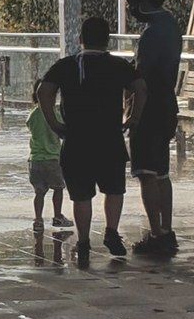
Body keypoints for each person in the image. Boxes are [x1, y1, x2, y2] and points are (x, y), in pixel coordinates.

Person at [38, 16, 147, 266]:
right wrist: (133, 118)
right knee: (114, 189)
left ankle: (84, 241)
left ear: (80, 39)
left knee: (81, 195)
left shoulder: (67, 65)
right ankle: (111, 232)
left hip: (76, 139)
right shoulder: (117, 65)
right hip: (110, 137)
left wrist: (54, 123)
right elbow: (141, 88)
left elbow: (44, 91)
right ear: (107, 40)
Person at [124, 0, 183, 256]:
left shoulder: (150, 33)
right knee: (161, 173)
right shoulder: (170, 24)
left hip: (149, 108)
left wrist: (133, 116)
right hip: (168, 105)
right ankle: (167, 230)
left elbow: (141, 78)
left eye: (131, 4)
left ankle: (156, 234)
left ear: (142, 3)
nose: (130, 10)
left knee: (146, 173)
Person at [27, 78, 73, 232]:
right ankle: (57, 216)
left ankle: (38, 220)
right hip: (53, 158)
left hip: (35, 160)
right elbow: (62, 129)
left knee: (39, 192)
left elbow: (30, 126)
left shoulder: (33, 115)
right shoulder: (55, 114)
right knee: (58, 188)